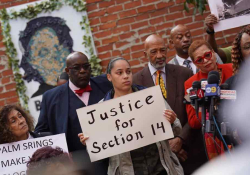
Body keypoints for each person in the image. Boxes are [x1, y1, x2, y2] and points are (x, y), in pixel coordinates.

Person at [79, 57, 184, 175]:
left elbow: (177, 129)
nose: (125, 76)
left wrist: (171, 121)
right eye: (119, 73)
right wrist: (89, 141)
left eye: (128, 71)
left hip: (162, 168)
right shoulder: (101, 110)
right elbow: (99, 151)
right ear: (109, 77)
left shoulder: (151, 98)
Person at [133, 34, 201, 175]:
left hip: (191, 150)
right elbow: (140, 122)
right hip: (160, 160)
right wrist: (168, 146)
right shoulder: (135, 82)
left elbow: (195, 110)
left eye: (162, 50)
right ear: (144, 54)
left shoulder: (184, 73)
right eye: (154, 52)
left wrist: (181, 139)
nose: (159, 55)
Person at [35, 51, 113, 174]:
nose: (82, 71)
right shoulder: (51, 97)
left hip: (113, 158)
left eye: (86, 66)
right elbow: (41, 131)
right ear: (67, 71)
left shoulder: (106, 83)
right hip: (79, 166)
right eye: (76, 68)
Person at [184, 40, 233, 160]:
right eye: (199, 60)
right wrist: (207, 106)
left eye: (207, 55)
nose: (205, 60)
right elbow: (193, 122)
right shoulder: (191, 84)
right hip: (214, 136)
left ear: (213, 53)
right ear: (195, 64)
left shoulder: (232, 69)